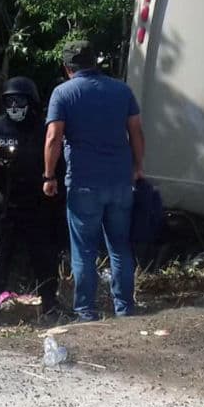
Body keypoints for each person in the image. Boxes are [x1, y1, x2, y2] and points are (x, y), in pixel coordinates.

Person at [43, 41, 145, 321]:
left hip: (84, 182)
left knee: (84, 249)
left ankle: (86, 311)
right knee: (120, 246)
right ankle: (125, 308)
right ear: (95, 62)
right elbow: (136, 131)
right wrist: (138, 167)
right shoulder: (121, 90)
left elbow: (53, 137)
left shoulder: (63, 93)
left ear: (67, 68)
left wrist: (49, 175)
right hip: (120, 181)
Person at [0, 76, 61, 324]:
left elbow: (58, 161)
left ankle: (50, 305)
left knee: (44, 259)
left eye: (20, 100)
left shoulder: (42, 129)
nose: (15, 106)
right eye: (9, 101)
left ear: (31, 101)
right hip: (2, 207)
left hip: (36, 206)